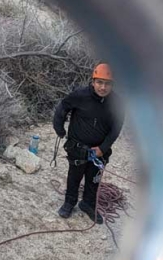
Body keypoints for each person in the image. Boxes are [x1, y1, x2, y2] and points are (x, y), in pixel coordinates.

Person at [52, 62, 124, 224]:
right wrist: (59, 129)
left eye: (107, 84)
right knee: (74, 176)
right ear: (93, 81)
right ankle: (69, 202)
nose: (103, 87)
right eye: (99, 82)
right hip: (77, 147)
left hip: (100, 151)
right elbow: (63, 107)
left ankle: (88, 204)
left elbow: (116, 129)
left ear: (112, 85)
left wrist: (103, 148)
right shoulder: (80, 95)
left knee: (93, 179)